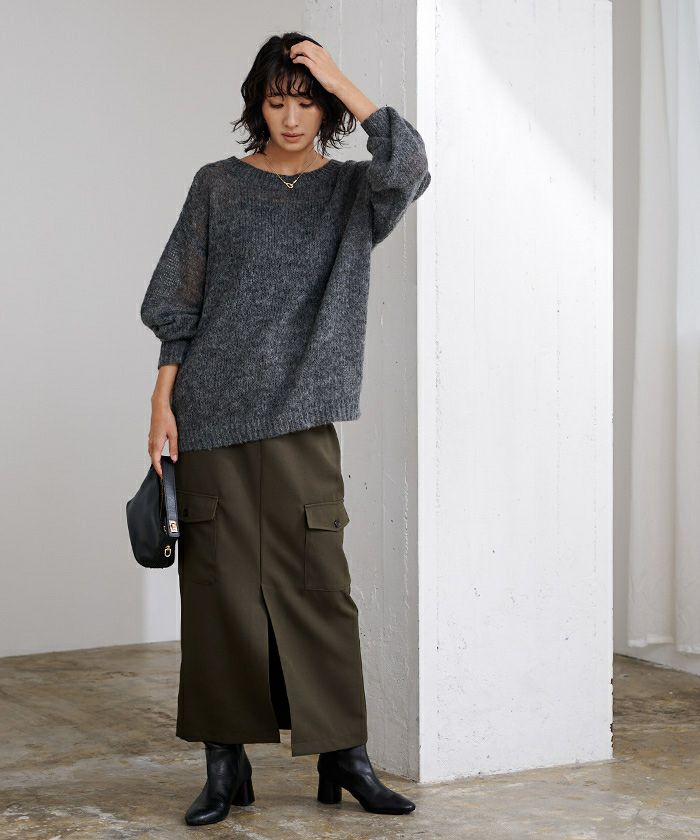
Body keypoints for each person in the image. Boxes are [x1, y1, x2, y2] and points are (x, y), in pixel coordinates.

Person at [140, 31, 431, 827]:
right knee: (218, 595)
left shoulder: (352, 191)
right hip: (210, 416)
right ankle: (224, 764)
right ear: (256, 107)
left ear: (327, 108)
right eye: (277, 101)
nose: (292, 117)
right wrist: (162, 404)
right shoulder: (217, 185)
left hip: (302, 417)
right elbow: (177, 303)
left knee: (318, 588)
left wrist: (336, 73)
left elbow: (410, 162)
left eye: (306, 102)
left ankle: (345, 755)